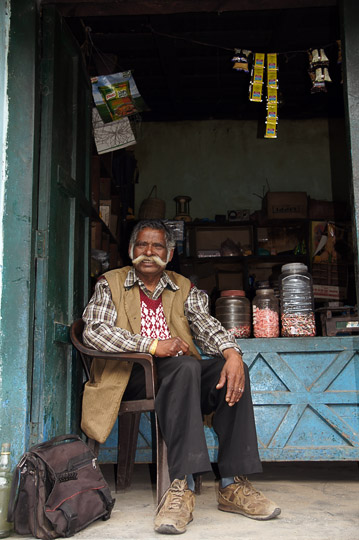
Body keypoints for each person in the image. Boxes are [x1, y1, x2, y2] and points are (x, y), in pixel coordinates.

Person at [81, 219, 281, 535]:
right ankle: (181, 487)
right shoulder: (110, 283)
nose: (149, 252)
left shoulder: (182, 287)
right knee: (186, 365)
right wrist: (152, 345)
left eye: (157, 246)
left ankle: (232, 484)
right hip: (129, 376)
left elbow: (206, 325)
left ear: (169, 253)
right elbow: (95, 331)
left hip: (178, 376)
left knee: (226, 371)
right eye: (142, 245)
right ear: (132, 250)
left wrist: (232, 353)